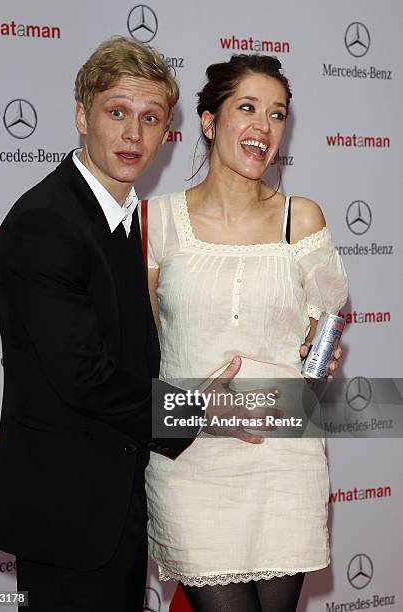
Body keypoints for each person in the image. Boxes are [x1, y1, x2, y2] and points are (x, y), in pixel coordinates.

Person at [0, 37, 251, 612]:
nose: (134, 133)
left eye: (151, 118)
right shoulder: (47, 223)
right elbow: (84, 376)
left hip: (122, 508)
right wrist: (198, 408)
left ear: (166, 134)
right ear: (82, 116)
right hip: (67, 520)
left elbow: (140, 344)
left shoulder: (130, 218)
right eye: (117, 112)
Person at [145, 54, 348, 611]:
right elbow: (140, 349)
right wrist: (187, 411)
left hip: (285, 460)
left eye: (278, 114)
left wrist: (315, 349)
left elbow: (325, 318)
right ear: (209, 122)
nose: (264, 126)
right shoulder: (156, 220)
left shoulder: (301, 218)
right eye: (248, 108)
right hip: (193, 461)